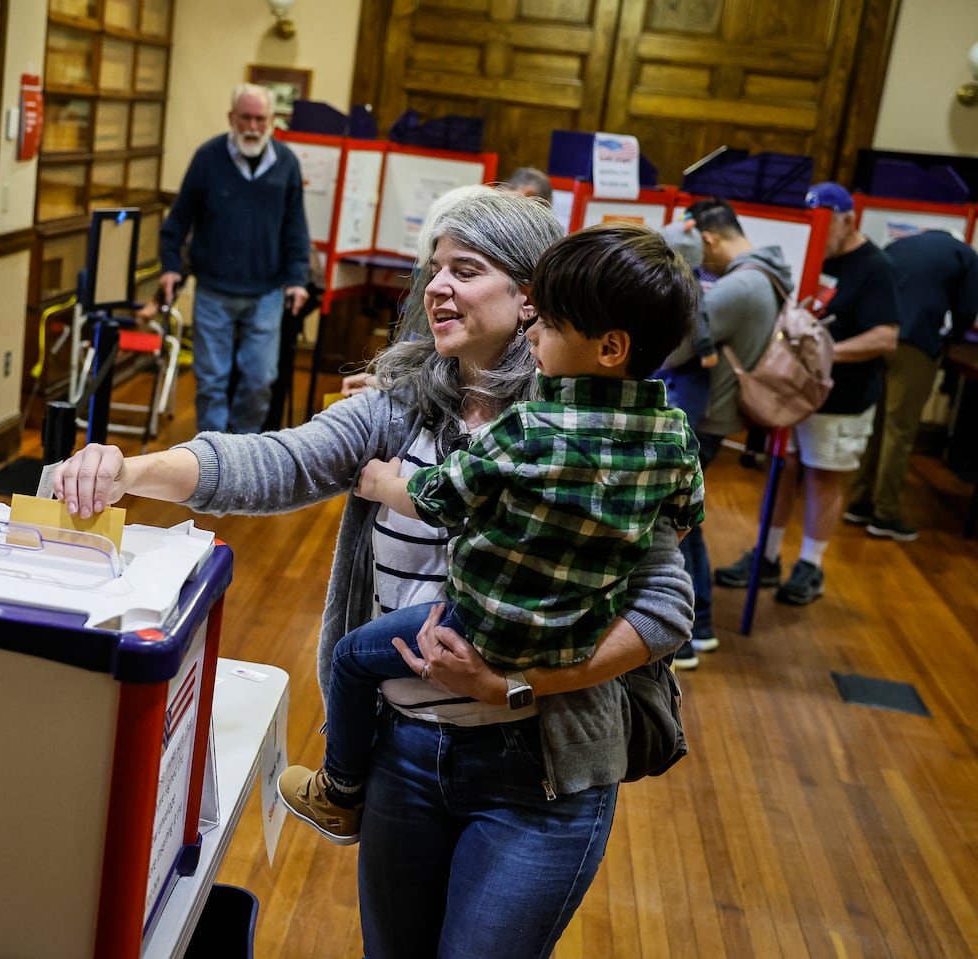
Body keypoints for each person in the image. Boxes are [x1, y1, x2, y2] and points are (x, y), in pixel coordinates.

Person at [53, 186, 696, 958]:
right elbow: (277, 460)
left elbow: (665, 611)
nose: (437, 285)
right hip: (404, 759)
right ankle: (341, 786)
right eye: (433, 267)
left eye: (465, 267)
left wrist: (517, 685)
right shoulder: (400, 408)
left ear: (531, 294)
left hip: (543, 776)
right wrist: (129, 467)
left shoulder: (604, 433)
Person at [277, 223, 704, 844]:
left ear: (610, 347)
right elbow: (684, 518)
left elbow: (439, 498)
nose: (535, 331)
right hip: (579, 632)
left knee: (348, 658)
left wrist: (380, 485)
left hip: (482, 626)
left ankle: (339, 790)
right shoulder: (674, 435)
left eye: (551, 324)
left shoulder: (530, 426)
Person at [715, 183, 898, 605]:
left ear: (848, 220)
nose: (818, 233)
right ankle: (767, 557)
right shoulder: (810, 256)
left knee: (823, 477)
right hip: (793, 394)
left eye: (825, 224)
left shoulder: (875, 267)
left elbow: (886, 337)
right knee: (782, 471)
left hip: (841, 398)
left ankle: (811, 566)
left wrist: (822, 356)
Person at [668, 198, 792, 659]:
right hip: (719, 416)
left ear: (708, 239)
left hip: (706, 417)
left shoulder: (740, 287)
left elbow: (677, 349)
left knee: (680, 525)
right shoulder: (770, 275)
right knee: (685, 521)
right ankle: (696, 628)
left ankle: (691, 630)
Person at [158, 82, 310, 434]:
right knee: (211, 383)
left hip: (267, 292)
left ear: (272, 120)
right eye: (246, 118)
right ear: (231, 117)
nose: (253, 127)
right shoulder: (208, 158)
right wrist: (169, 267)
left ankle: (241, 456)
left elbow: (295, 228)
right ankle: (210, 460)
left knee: (259, 381)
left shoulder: (285, 163)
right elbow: (178, 220)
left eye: (260, 119)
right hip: (214, 289)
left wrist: (298, 279)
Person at [845, 229, 978, 541]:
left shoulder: (898, 244)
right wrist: (954, 337)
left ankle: (859, 502)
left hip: (875, 338)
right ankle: (886, 514)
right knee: (900, 430)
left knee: (877, 425)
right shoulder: (965, 255)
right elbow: (968, 307)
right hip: (914, 343)